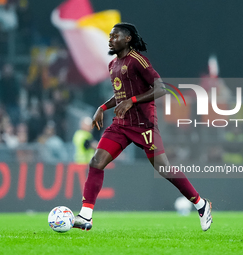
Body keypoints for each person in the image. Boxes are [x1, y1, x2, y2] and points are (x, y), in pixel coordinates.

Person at [73, 23, 212, 232]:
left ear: (127, 39)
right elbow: (120, 96)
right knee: (96, 162)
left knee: (163, 169)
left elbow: (161, 88)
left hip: (143, 124)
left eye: (114, 36)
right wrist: (102, 107)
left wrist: (133, 101)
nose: (110, 39)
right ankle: (86, 216)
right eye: (110, 36)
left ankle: (201, 204)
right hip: (121, 125)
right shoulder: (113, 65)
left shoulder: (138, 61)